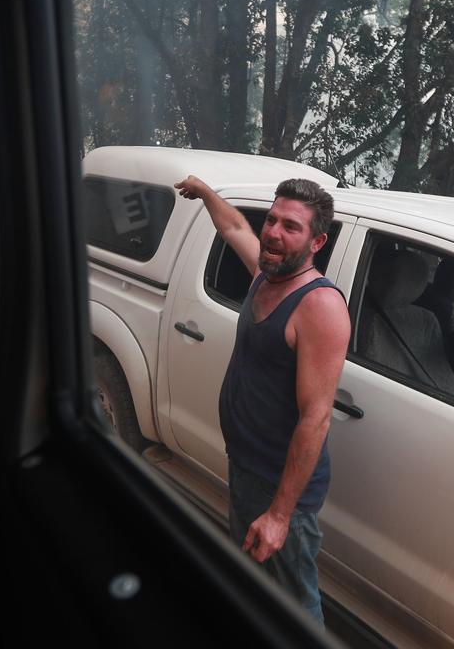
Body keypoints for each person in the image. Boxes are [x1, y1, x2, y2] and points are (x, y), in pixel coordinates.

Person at [174, 175, 351, 624]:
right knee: (254, 581)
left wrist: (279, 514)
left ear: (317, 241)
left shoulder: (319, 306)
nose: (273, 232)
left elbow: (316, 418)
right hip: (247, 465)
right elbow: (234, 227)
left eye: (291, 226)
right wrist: (206, 192)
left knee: (296, 603)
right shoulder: (267, 274)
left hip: (281, 486)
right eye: (271, 219)